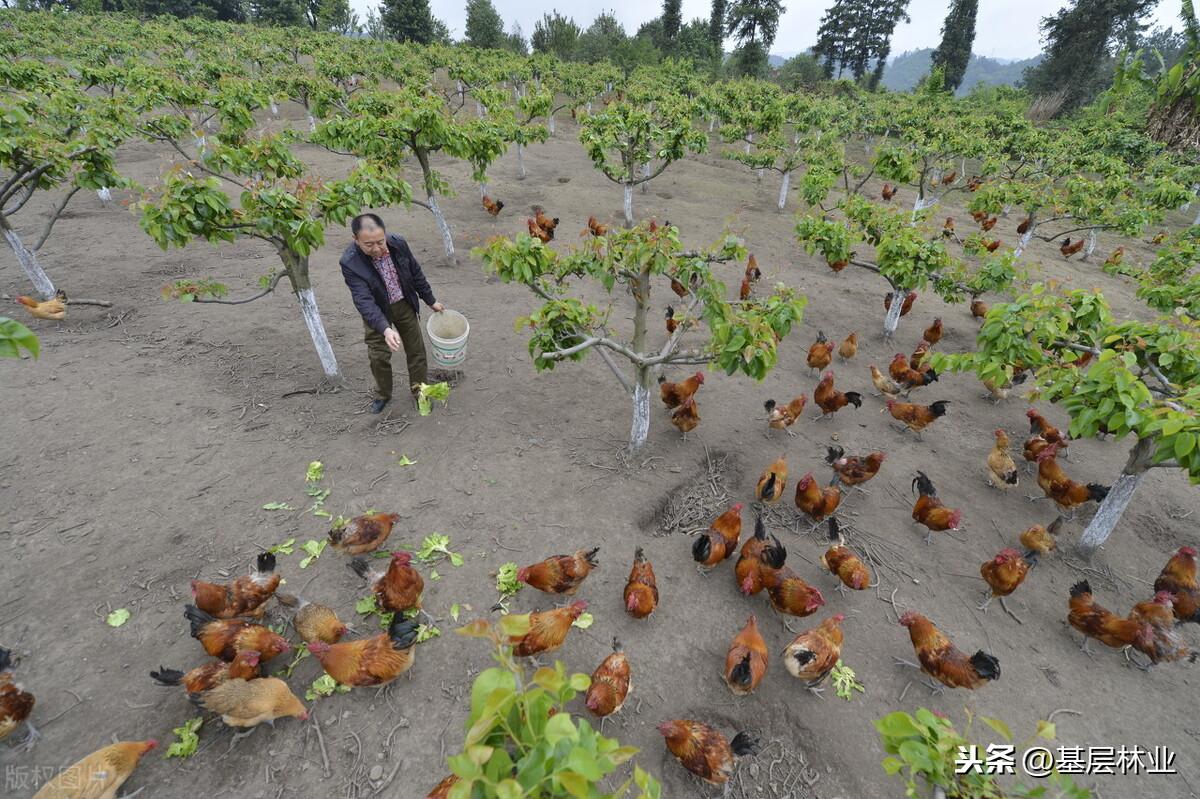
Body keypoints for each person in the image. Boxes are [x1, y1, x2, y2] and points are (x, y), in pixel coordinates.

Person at [340, 214, 444, 413]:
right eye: (369, 244)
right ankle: (383, 394)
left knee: (417, 351)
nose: (378, 248)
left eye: (380, 241)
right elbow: (364, 301)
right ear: (356, 240)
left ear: (385, 234)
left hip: (404, 304)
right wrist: (385, 329)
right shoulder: (350, 263)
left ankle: (421, 393)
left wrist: (430, 300)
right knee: (378, 356)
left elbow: (415, 272)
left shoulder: (398, 244)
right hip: (377, 314)